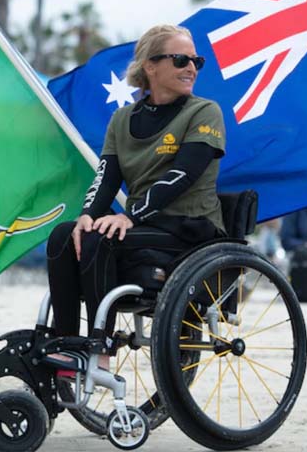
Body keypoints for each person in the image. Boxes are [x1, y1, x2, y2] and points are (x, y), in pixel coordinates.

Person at [46, 24, 226, 368]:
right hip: (146, 225)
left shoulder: (204, 112)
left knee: (101, 239)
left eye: (196, 61)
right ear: (150, 66)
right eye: (181, 60)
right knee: (64, 235)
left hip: (190, 227)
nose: (191, 68)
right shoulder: (122, 118)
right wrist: (88, 214)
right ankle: (65, 343)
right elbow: (106, 176)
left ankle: (100, 349)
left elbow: (182, 175)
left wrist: (130, 216)